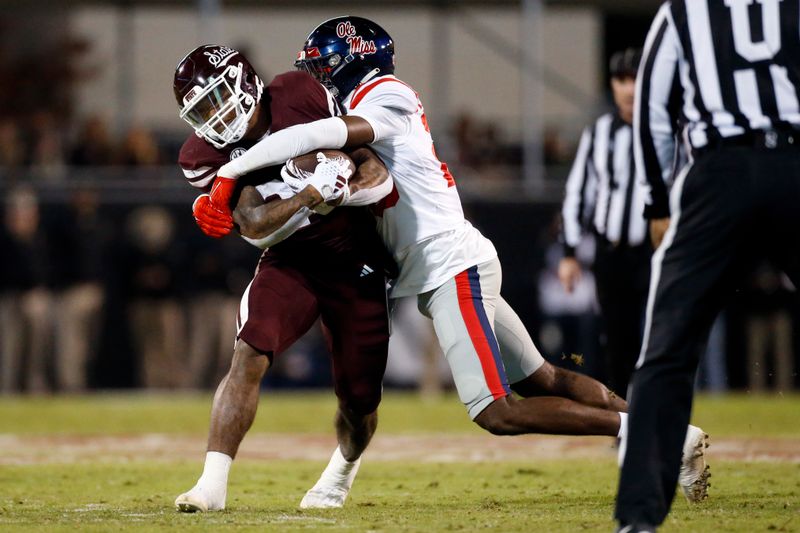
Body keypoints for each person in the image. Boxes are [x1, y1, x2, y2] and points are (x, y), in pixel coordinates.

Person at [201, 16, 708, 495]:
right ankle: (669, 435)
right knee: (543, 379)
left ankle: (655, 434)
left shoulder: (384, 95)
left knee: (496, 411)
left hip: (450, 267)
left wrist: (230, 172)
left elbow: (321, 136)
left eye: (320, 65)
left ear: (346, 61)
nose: (315, 77)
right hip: (445, 263)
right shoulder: (362, 98)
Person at [171, 45, 395, 512]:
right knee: (248, 353)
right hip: (289, 258)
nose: (215, 116)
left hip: (353, 257)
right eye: (202, 111)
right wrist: (311, 194)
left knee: (358, 400)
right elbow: (254, 225)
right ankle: (211, 486)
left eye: (217, 98)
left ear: (245, 82)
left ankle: (340, 474)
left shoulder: (297, 94)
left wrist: (345, 189)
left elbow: (372, 167)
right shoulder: (202, 155)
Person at [614, 1, 800, 530]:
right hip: (793, 160)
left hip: (719, 174)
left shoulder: (684, 11)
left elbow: (653, 106)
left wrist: (656, 200)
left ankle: (638, 519)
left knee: (666, 354)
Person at [559, 48, 651, 397]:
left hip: (657, 252)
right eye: (621, 79)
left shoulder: (669, 129)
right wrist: (569, 252)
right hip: (611, 253)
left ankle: (664, 419)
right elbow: (577, 193)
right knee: (616, 339)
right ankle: (626, 422)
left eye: (636, 79)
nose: (629, 89)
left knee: (660, 340)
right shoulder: (598, 133)